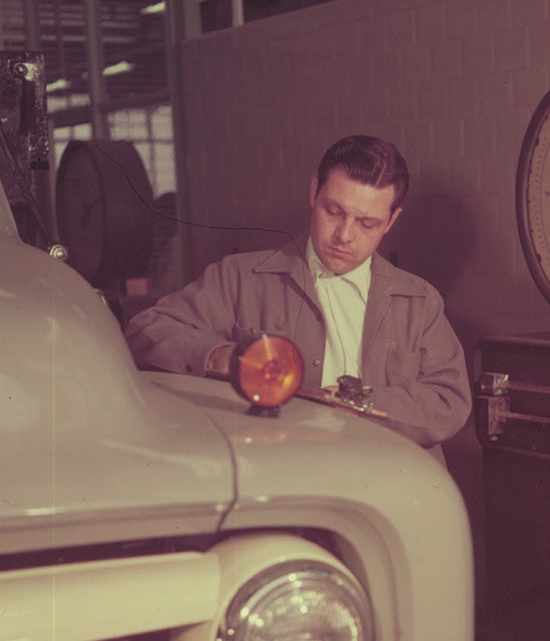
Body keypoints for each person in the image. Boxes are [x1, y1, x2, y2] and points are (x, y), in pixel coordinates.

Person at [125, 135, 471, 458]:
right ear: (313, 192)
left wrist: (349, 406)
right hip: (280, 471)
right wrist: (221, 357)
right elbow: (145, 330)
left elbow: (447, 399)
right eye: (333, 211)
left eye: (367, 223)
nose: (344, 235)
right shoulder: (240, 277)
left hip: (389, 477)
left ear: (392, 221)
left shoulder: (419, 301)